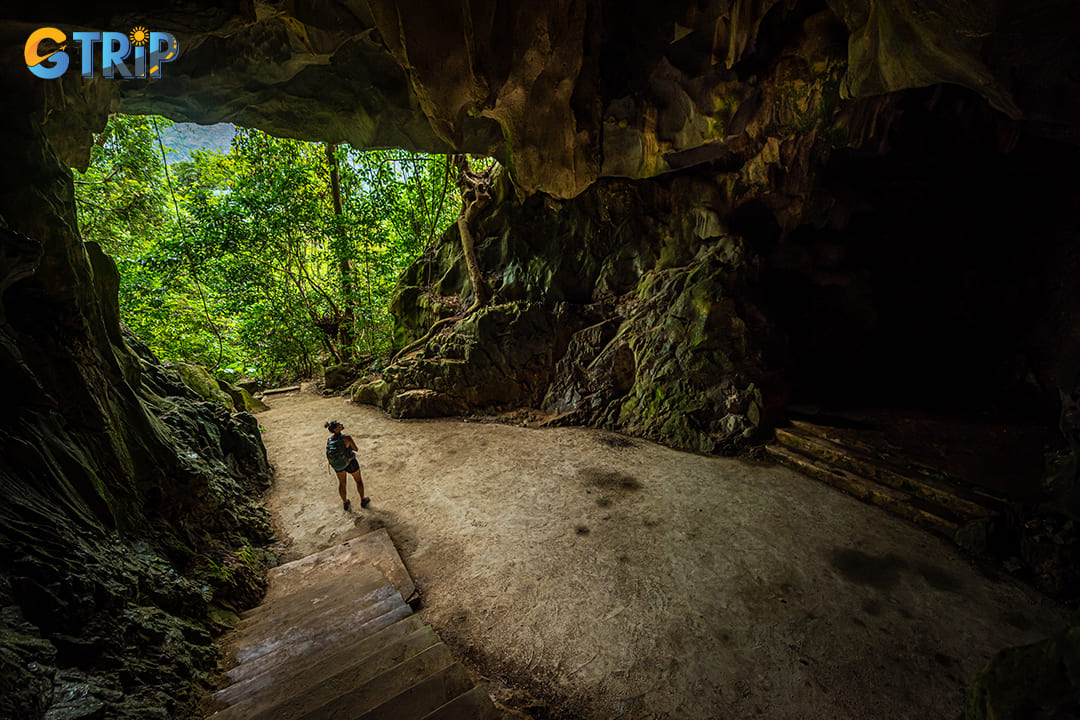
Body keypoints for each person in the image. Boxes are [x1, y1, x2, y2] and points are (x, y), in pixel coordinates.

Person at [324, 420, 370, 511]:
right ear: (336, 429)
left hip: (338, 465)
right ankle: (363, 500)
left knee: (342, 483)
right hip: (350, 462)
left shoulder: (329, 439)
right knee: (358, 480)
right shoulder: (346, 437)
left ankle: (345, 502)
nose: (341, 424)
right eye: (339, 425)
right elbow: (355, 449)